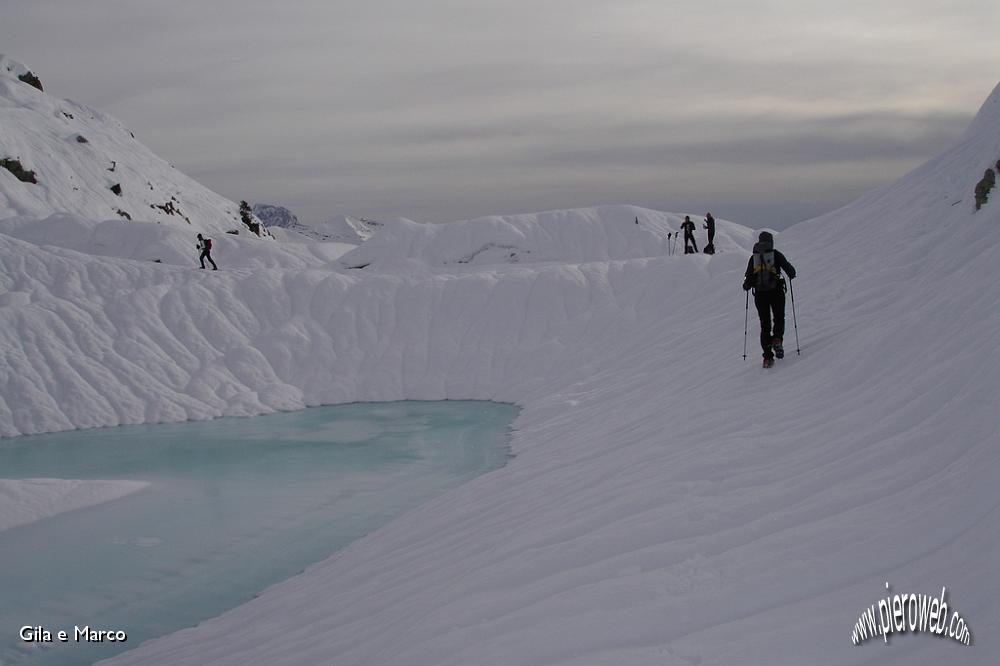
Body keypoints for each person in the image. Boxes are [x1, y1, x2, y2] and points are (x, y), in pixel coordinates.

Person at [743, 231, 795, 367]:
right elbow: (791, 272)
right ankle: (777, 340)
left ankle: (767, 357)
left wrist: (748, 284)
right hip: (776, 292)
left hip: (760, 295)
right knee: (778, 317)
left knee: (764, 325)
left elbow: (747, 281)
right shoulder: (775, 254)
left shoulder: (754, 258)